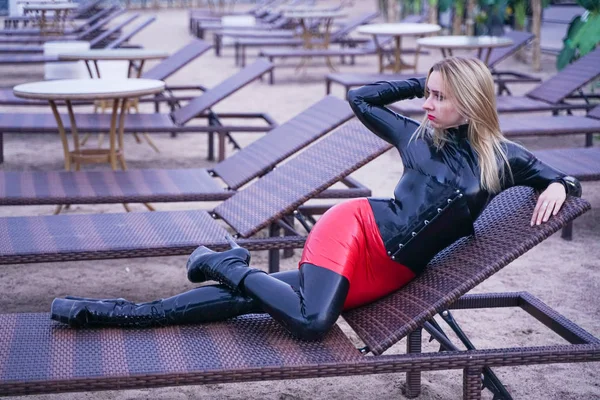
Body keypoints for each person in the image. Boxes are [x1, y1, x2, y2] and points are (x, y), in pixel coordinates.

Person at [50, 57, 581, 341]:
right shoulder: (416, 136)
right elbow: (360, 98)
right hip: (354, 230)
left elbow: (564, 181)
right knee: (310, 321)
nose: (429, 103)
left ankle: (117, 314)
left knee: (253, 299)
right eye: (430, 94)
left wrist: (557, 184)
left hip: (392, 272)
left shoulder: (504, 158)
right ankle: (217, 263)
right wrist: (421, 81)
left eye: (442, 97)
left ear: (469, 102)